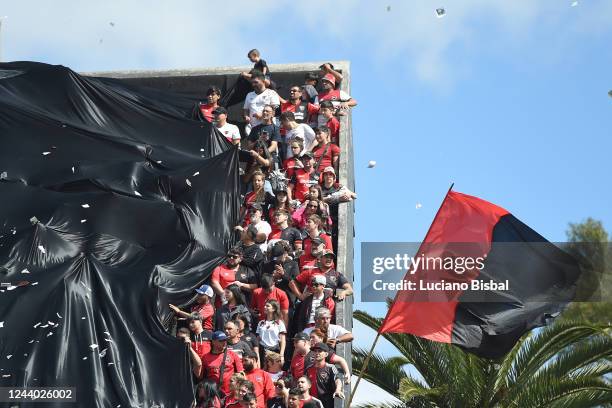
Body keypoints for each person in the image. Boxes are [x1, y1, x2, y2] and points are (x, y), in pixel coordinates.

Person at [201, 331, 244, 397]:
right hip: (213, 395)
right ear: (213, 342)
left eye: (225, 340)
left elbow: (241, 374)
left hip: (230, 394)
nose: (224, 343)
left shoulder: (232, 354)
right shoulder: (205, 357)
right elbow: (201, 377)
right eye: (221, 341)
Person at [305, 343, 344, 408]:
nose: (317, 353)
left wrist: (338, 390)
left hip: (327, 403)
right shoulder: (308, 368)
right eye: (315, 351)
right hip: (312, 404)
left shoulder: (330, 368)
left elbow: (337, 379)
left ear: (326, 354)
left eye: (319, 351)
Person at [261, 242, 300, 306]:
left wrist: (283, 275)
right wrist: (272, 277)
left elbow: (296, 282)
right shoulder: (267, 265)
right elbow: (263, 281)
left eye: (279, 257)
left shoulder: (293, 264)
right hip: (271, 301)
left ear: (284, 254)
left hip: (288, 300)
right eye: (275, 257)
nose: (276, 259)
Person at [255, 299, 287, 364]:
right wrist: (257, 354)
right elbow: (257, 339)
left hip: (275, 351)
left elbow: (283, 340)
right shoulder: (261, 323)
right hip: (262, 351)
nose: (265, 307)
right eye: (265, 306)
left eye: (267, 306)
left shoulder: (279, 323)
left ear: (274, 309)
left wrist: (281, 355)